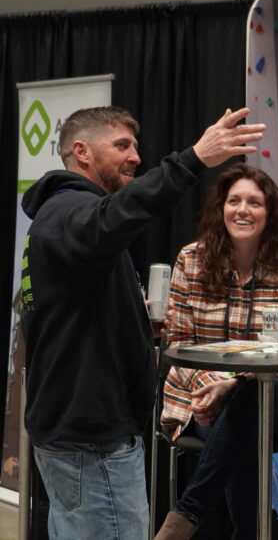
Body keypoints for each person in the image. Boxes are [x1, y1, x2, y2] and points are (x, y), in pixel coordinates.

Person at [20, 105, 264, 538]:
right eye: (122, 146)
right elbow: (113, 218)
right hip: (91, 440)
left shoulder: (64, 218)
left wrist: (136, 325)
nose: (135, 156)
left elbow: (71, 310)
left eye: (136, 146)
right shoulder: (70, 210)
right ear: (82, 152)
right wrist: (192, 160)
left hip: (81, 434)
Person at [156, 164, 278, 539]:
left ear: (271, 212)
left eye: (254, 202)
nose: (242, 210)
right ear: (221, 208)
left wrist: (233, 384)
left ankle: (183, 519)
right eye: (234, 201)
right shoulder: (192, 260)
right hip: (200, 392)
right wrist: (216, 384)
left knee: (251, 397)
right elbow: (178, 344)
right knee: (246, 423)